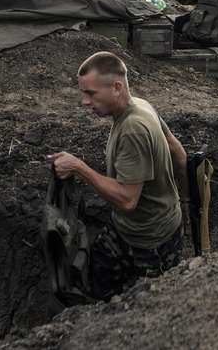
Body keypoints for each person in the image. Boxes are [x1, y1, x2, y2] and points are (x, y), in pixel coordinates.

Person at [49, 52, 187, 300]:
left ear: (116, 87)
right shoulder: (142, 104)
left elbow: (126, 200)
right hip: (130, 227)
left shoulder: (133, 129)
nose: (84, 102)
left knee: (147, 306)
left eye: (90, 93)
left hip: (148, 242)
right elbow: (178, 152)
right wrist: (175, 199)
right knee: (97, 273)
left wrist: (80, 167)